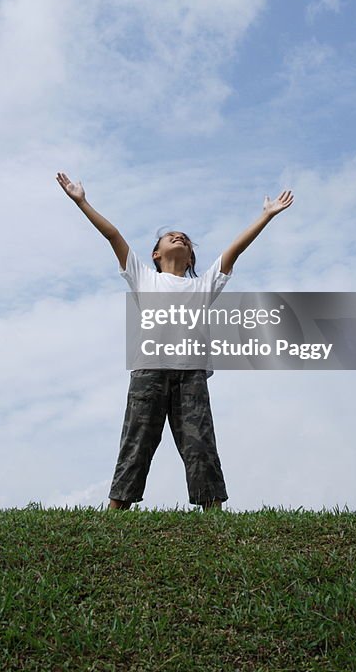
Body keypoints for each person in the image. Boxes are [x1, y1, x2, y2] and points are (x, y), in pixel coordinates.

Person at [56, 171, 294, 511]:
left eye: (185, 238)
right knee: (136, 443)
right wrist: (82, 202)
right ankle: (114, 514)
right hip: (148, 373)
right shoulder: (143, 278)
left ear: (192, 259)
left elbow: (234, 250)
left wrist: (266, 216)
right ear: (155, 254)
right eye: (171, 237)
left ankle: (214, 515)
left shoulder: (203, 285)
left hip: (191, 375)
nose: (179, 238)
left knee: (200, 446)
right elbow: (113, 235)